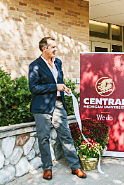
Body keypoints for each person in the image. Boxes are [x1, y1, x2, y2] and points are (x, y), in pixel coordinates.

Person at [28, 37, 86, 180]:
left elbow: (59, 80)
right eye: (53, 47)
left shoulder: (58, 62)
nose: (56, 49)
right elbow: (33, 88)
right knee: (44, 138)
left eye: (55, 46)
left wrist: (63, 86)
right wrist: (55, 87)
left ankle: (75, 166)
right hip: (42, 107)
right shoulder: (34, 66)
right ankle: (47, 168)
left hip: (59, 104)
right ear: (44, 49)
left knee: (66, 135)